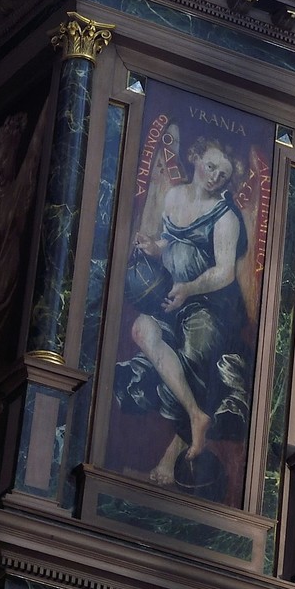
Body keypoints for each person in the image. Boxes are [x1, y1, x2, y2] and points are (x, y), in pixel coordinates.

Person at [117, 135, 252, 489]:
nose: (214, 177)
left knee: (196, 359)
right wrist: (153, 248)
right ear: (195, 158)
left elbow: (223, 273)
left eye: (223, 175)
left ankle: (171, 455)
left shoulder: (226, 217)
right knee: (141, 331)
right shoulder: (175, 196)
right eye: (210, 167)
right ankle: (195, 414)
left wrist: (189, 289)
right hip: (172, 293)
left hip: (210, 306)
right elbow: (171, 242)